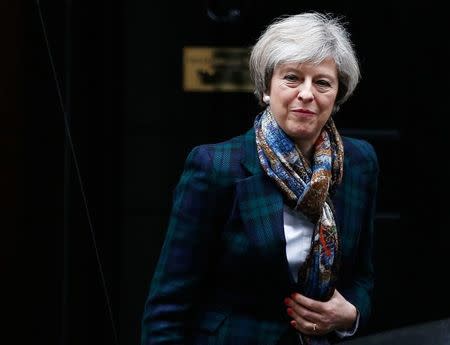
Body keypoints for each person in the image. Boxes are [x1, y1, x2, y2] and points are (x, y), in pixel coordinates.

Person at [141, 11, 378, 345]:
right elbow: (169, 304)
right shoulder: (216, 166)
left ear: (337, 96)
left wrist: (351, 314)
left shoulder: (359, 162)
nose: (307, 94)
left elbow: (363, 277)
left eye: (322, 82)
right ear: (267, 88)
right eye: (292, 78)